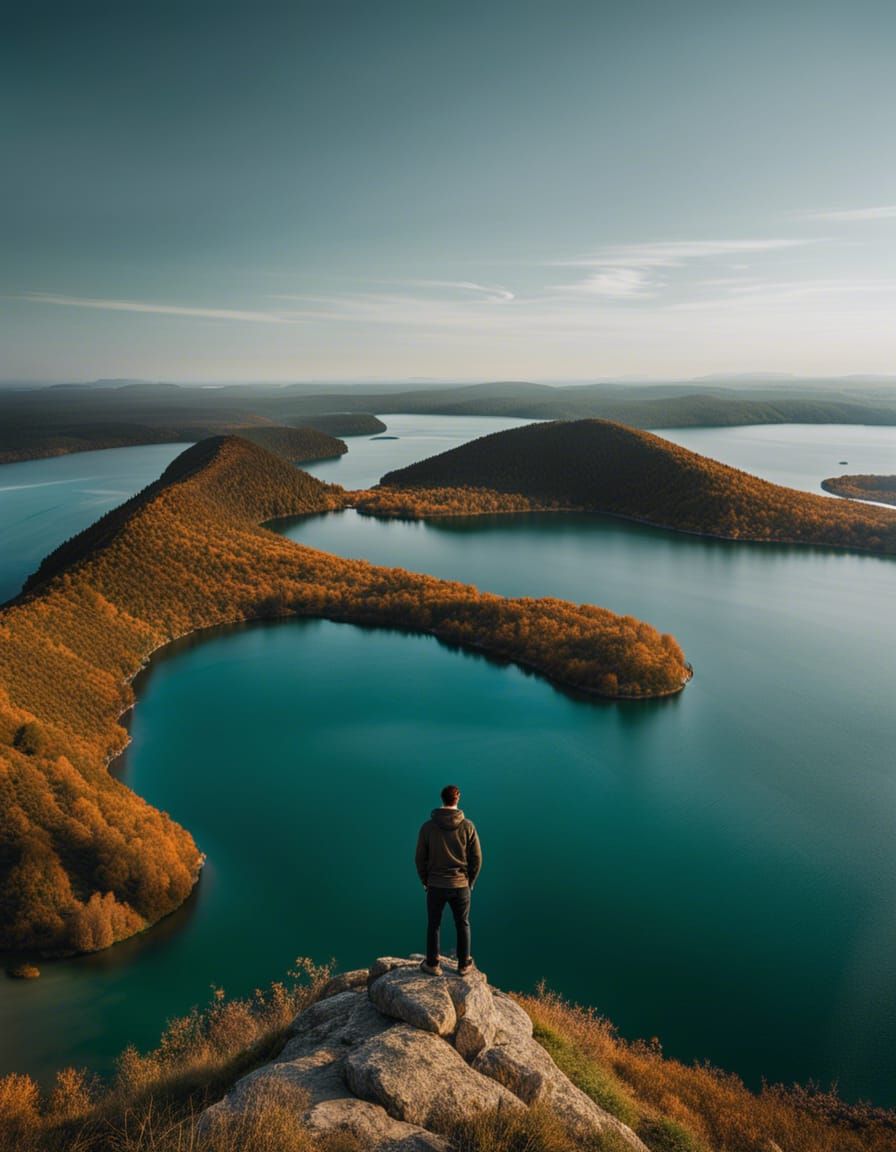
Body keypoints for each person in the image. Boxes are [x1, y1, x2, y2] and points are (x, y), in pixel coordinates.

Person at [415, 784, 482, 976]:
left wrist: (425, 880)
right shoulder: (468, 826)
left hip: (435, 884)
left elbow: (420, 858)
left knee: (434, 924)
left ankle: (432, 963)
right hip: (460, 884)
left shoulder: (428, 827)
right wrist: (470, 881)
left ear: (442, 799)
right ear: (458, 798)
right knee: (462, 923)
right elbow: (477, 858)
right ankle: (463, 965)